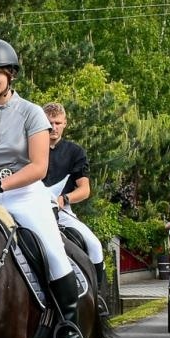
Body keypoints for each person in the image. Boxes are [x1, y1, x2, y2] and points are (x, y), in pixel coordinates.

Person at [0, 38, 86, 338]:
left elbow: (39, 167)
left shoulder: (31, 113)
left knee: (51, 249)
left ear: (10, 75)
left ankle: (68, 327)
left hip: (26, 194)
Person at [42, 102, 109, 315]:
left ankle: (98, 298)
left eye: (57, 123)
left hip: (61, 211)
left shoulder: (74, 151)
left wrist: (64, 199)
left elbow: (85, 189)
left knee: (95, 245)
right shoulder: (30, 148)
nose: (53, 127)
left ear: (65, 124)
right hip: (31, 207)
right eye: (49, 123)